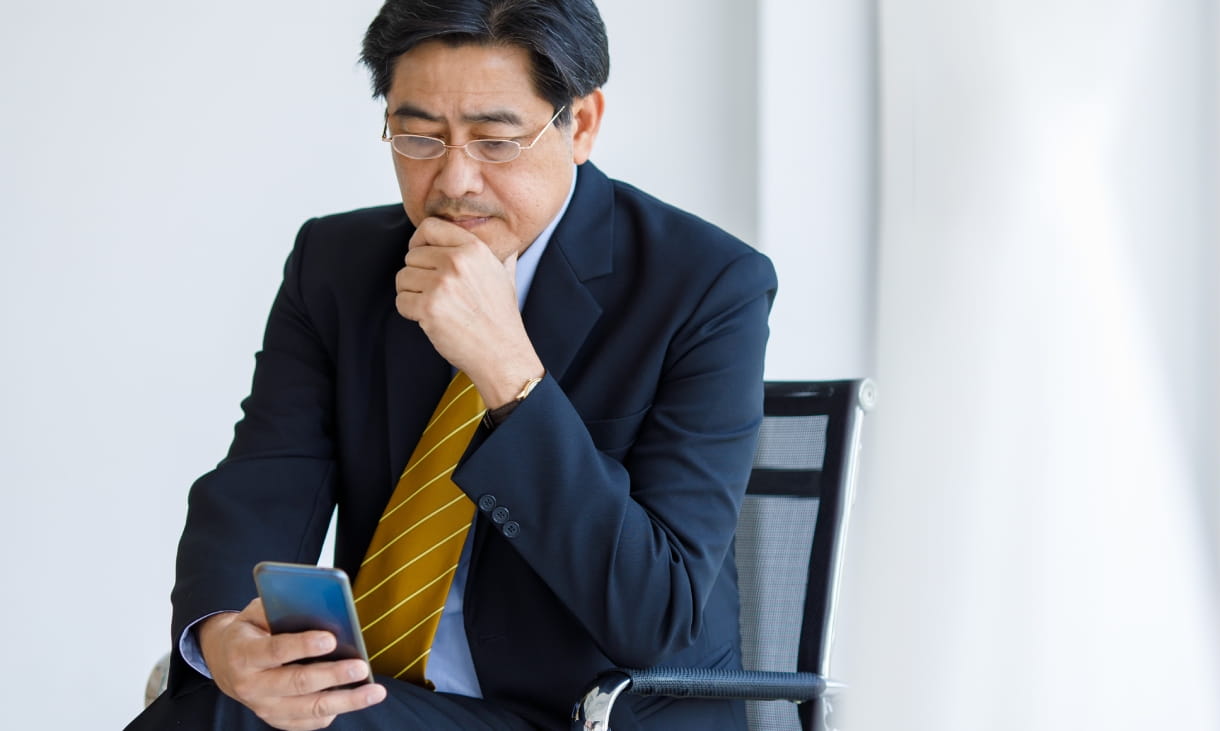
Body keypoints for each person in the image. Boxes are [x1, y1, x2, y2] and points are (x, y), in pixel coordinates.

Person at [126, 1, 776, 729]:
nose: (453, 180)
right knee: (222, 705)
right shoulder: (338, 267)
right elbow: (262, 481)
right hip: (390, 696)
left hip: (589, 713)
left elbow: (658, 615)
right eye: (417, 136)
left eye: (495, 141)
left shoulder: (705, 285)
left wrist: (510, 373)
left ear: (581, 123)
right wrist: (223, 637)